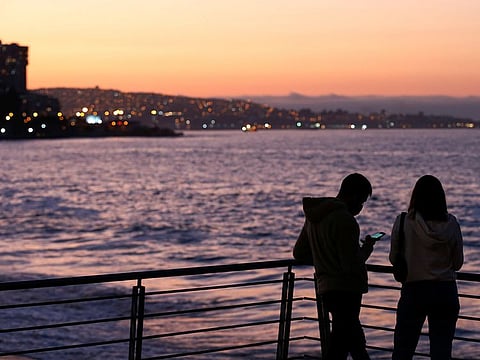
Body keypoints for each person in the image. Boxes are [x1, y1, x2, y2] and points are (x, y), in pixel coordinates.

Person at [293, 173, 378, 360]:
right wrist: (366, 251)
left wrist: (323, 256)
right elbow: (349, 265)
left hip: (326, 287)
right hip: (347, 290)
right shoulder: (346, 220)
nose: (361, 207)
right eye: (362, 201)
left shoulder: (314, 216)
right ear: (354, 196)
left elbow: (299, 253)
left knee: (346, 341)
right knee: (348, 343)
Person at [389, 175, 464, 360]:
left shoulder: (403, 221)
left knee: (403, 349)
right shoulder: (452, 223)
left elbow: (393, 258)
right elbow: (458, 263)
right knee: (441, 351)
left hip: (414, 291)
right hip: (446, 291)